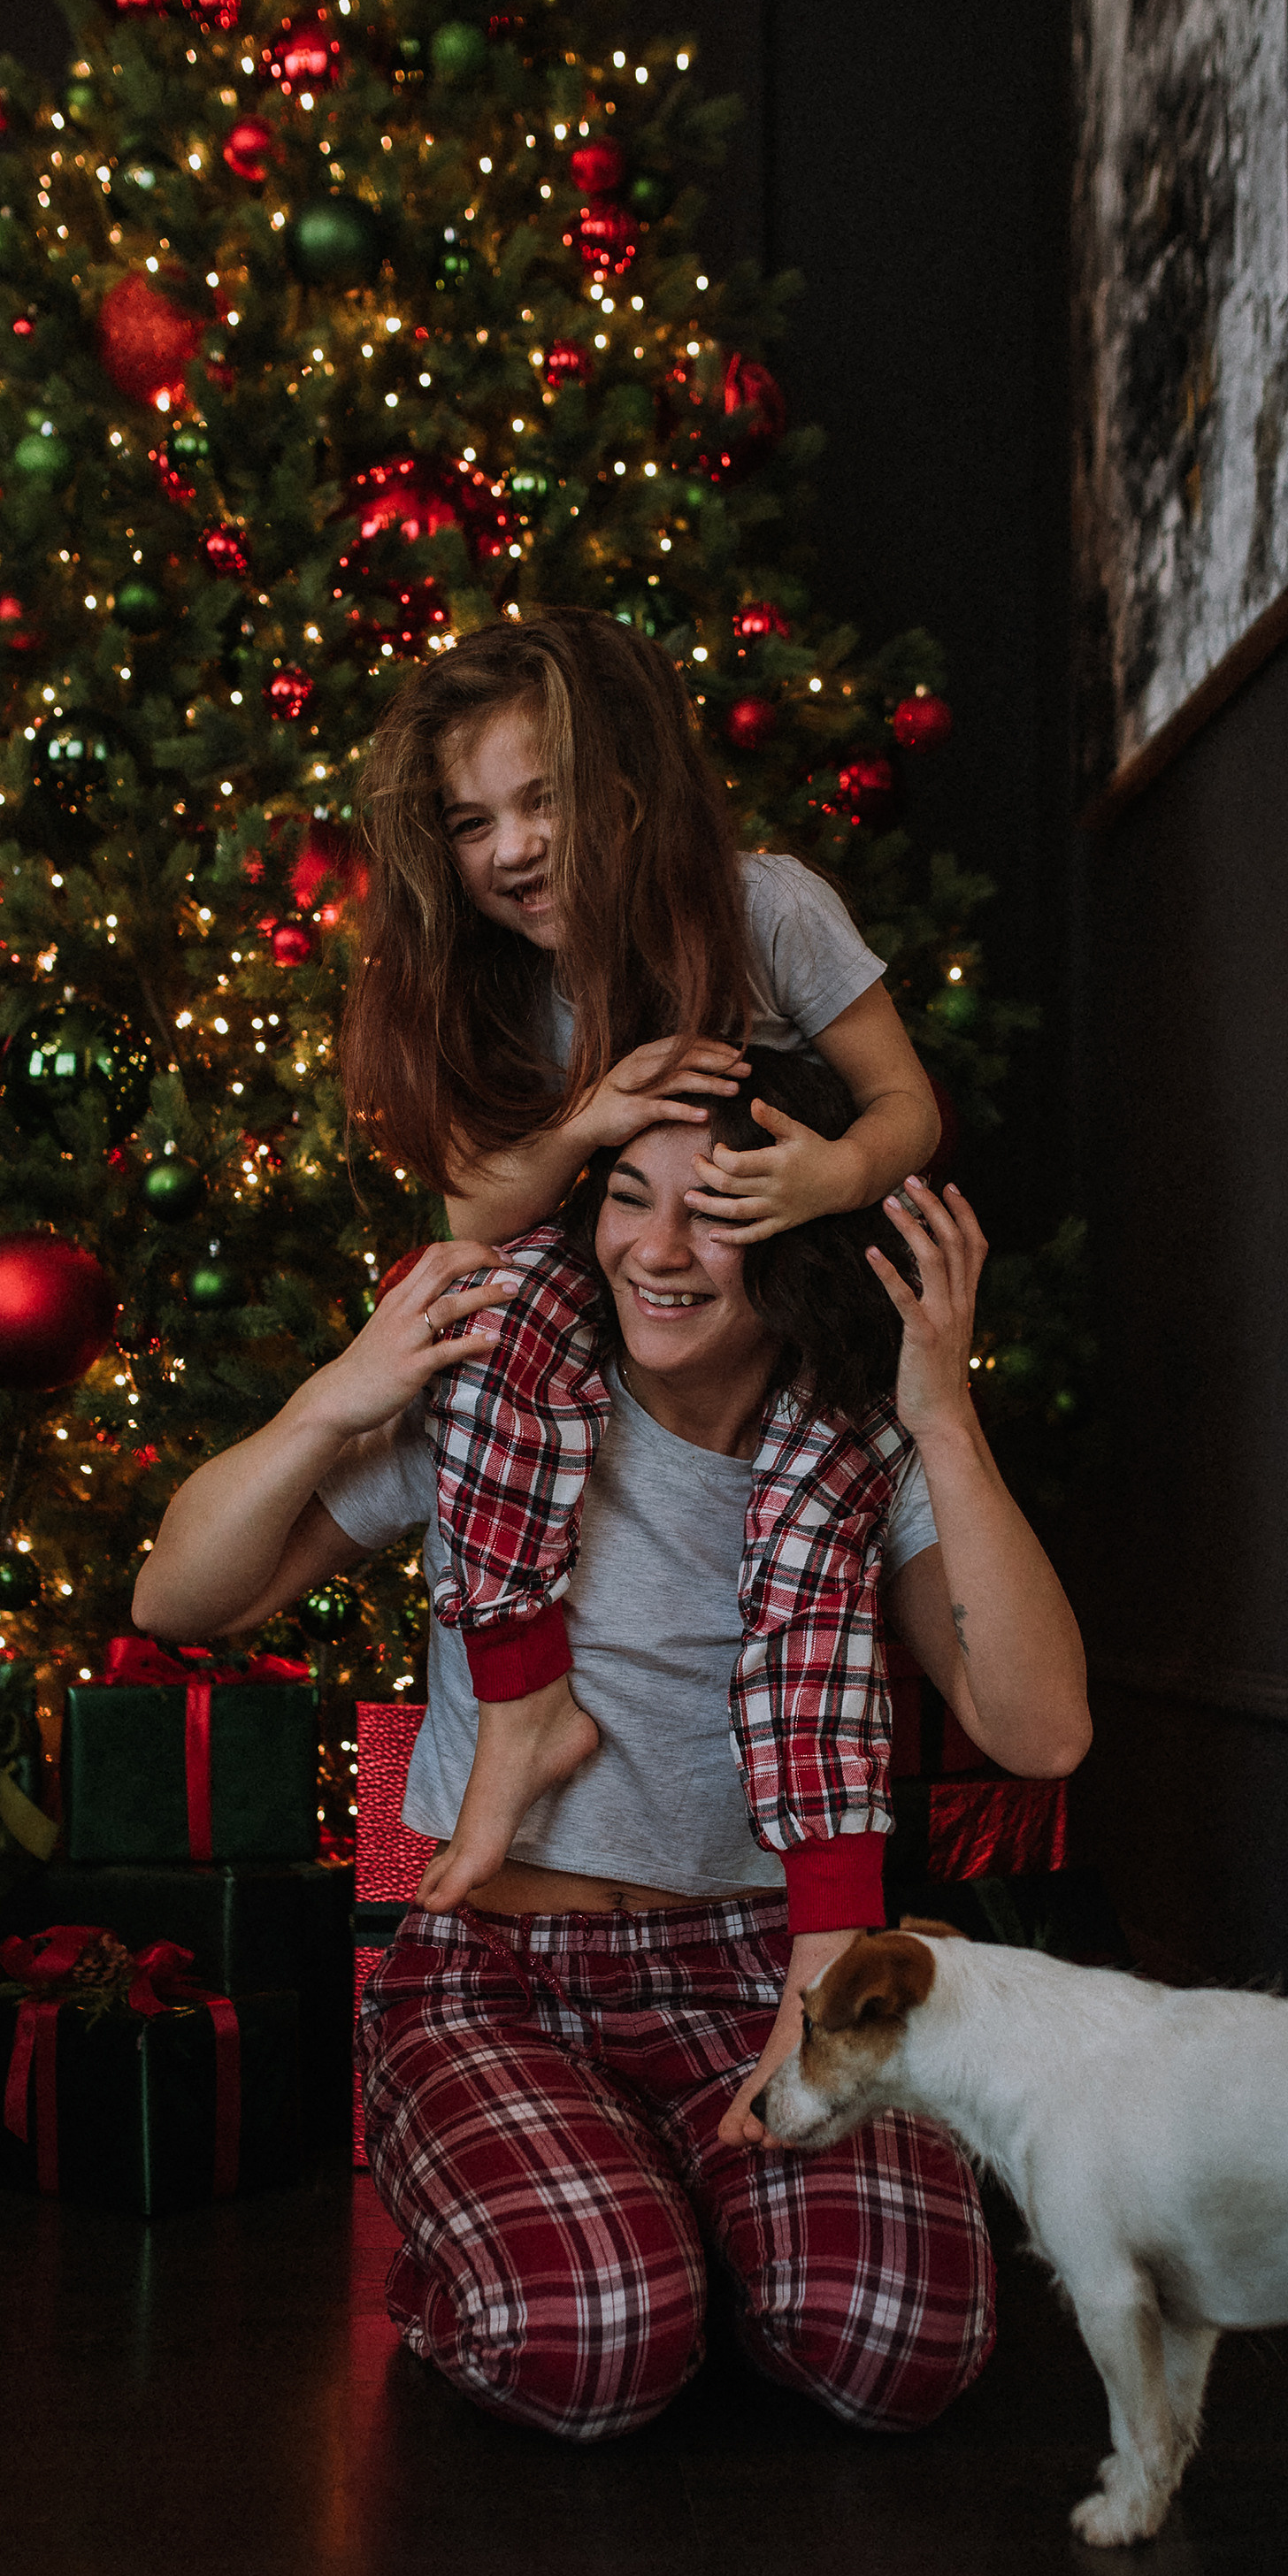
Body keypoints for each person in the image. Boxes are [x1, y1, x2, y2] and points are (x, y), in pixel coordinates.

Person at [133, 1054, 1091, 2442]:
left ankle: (689, 2221)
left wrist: (941, 1416)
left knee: (900, 2344)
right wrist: (340, 1392)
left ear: (799, 1227)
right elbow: (181, 1598)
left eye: (712, 1212)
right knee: (592, 2338)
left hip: (770, 1969)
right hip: (502, 1973)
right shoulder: (497, 1408)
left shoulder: (854, 1446)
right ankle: (613, 2239)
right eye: (628, 1200)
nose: (657, 1249)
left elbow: (1041, 1728)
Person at [338, 608, 945, 1906]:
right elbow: (469, 1215)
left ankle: (830, 1920)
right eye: (470, 823)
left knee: (810, 1553)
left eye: (540, 803)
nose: (511, 851)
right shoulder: (504, 981)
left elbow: (907, 1107)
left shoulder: (764, 907)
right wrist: (597, 1116)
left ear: (625, 785)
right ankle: (519, 1707)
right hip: (606, 1292)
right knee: (491, 1322)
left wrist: (828, 1176)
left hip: (786, 1293)